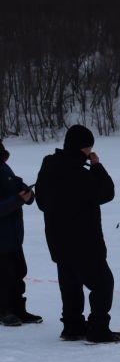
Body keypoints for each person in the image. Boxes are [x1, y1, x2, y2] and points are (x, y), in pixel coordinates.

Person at [35, 125, 120, 343]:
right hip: (84, 241)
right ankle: (99, 328)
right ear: (82, 148)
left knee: (71, 284)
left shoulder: (49, 166)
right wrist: (97, 166)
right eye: (88, 147)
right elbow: (106, 192)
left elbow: (42, 202)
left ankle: (73, 326)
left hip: (57, 240)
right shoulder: (78, 172)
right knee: (103, 283)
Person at [0, 140, 42, 326]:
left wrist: (27, 193)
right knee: (4, 275)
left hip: (13, 234)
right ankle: (4, 311)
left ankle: (18, 309)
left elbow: (16, 183)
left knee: (18, 272)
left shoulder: (4, 168)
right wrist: (17, 200)